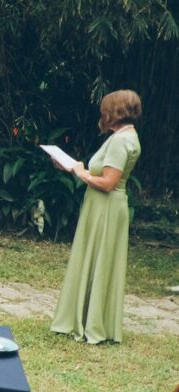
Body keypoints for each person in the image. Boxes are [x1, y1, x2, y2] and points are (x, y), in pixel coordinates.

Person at [51, 90, 142, 344]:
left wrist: (81, 173)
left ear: (114, 113)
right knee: (96, 258)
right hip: (105, 207)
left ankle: (90, 321)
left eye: (105, 111)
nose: (102, 115)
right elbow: (103, 173)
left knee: (99, 258)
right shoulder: (125, 137)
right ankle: (88, 314)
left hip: (107, 208)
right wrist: (73, 167)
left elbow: (108, 182)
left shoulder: (121, 141)